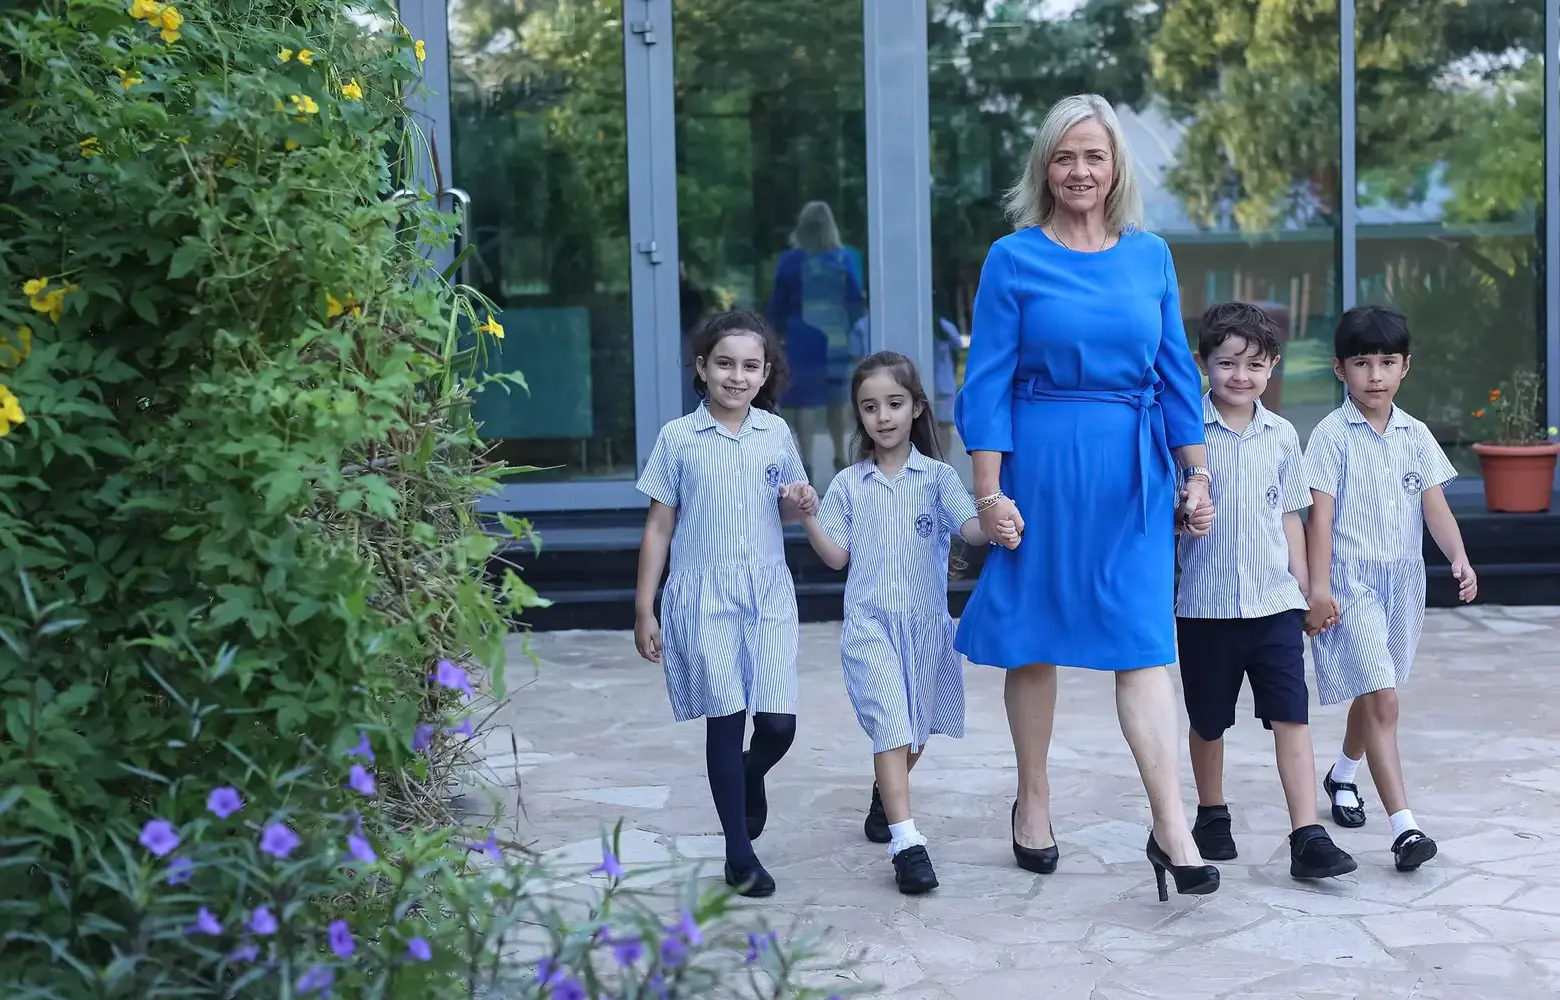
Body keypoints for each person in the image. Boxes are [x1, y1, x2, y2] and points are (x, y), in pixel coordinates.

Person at [953, 93, 1220, 902]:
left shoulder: (1151, 258)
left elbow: (1176, 372)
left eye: (1093, 156)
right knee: (1034, 637)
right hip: (1038, 466)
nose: (1079, 171)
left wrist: (1197, 472)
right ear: (1045, 167)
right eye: (1064, 156)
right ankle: (1032, 802)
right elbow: (986, 382)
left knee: (1144, 643)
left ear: (1115, 169)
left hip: (1133, 475)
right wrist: (989, 491)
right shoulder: (1013, 258)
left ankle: (1171, 826)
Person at [798, 353, 1017, 895]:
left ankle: (883, 793)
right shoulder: (850, 484)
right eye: (869, 407)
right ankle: (907, 843)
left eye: (894, 404)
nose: (883, 417)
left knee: (915, 734)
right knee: (892, 725)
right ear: (859, 416)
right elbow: (835, 556)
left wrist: (999, 518)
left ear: (917, 406)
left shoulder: (938, 477)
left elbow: (970, 530)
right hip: (870, 628)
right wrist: (806, 515)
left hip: (925, 631)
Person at [632, 309, 819, 898]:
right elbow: (659, 527)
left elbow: (787, 506)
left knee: (778, 725)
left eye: (750, 366)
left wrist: (802, 498)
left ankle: (747, 774)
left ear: (766, 374)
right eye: (725, 364)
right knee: (726, 718)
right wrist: (644, 606)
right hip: (702, 595)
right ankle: (740, 857)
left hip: (765, 593)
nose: (736, 377)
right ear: (702, 368)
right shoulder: (678, 438)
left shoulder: (776, 434)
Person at [1174, 302, 1357, 880]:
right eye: (1226, 363)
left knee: (1291, 716)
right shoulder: (1186, 436)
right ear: (1204, 364)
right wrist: (1184, 515)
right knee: (1208, 720)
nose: (1240, 376)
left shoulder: (1281, 436)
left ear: (1273, 367)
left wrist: (1306, 589)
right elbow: (1165, 511)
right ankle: (1210, 812)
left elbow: (1290, 516)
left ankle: (1307, 834)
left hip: (1273, 603)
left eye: (1254, 365)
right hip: (1204, 605)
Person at [1303, 304, 1478, 873]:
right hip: (1350, 584)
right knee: (1382, 695)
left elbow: (1435, 505)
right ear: (1339, 369)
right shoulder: (1331, 436)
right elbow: (1319, 519)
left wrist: (1459, 556)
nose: (1374, 375)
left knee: (1372, 690)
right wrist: (1320, 588)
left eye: (1386, 362)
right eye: (1362, 363)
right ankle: (1404, 828)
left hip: (1401, 582)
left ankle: (1343, 774)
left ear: (1405, 368)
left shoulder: (1415, 434)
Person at [768, 201, 866, 478]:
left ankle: (806, 462)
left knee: (804, 402)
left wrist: (775, 334)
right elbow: (855, 300)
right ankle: (838, 457)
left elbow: (778, 303)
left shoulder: (790, 261)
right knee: (837, 399)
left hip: (801, 337)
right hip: (836, 338)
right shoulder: (844, 259)